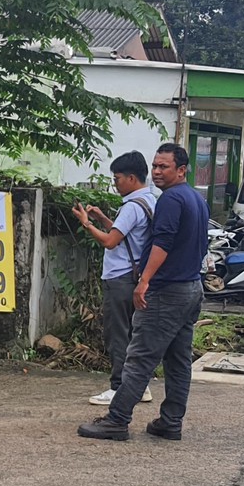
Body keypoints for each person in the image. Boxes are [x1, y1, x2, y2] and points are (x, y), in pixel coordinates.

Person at [78, 143, 209, 442]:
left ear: (181, 170)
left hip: (167, 290)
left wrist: (144, 281)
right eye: (155, 166)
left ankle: (117, 420)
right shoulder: (196, 199)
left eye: (164, 167)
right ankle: (170, 421)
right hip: (190, 287)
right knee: (177, 361)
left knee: (139, 358)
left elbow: (162, 243)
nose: (158, 172)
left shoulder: (171, 200)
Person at [71, 151, 158, 407]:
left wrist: (87, 224)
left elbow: (110, 242)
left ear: (131, 178)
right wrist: (102, 219)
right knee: (134, 334)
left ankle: (119, 387)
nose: (115, 183)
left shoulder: (132, 206)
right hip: (134, 276)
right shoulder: (148, 200)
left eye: (117, 178)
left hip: (119, 278)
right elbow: (126, 235)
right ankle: (139, 386)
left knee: (118, 334)